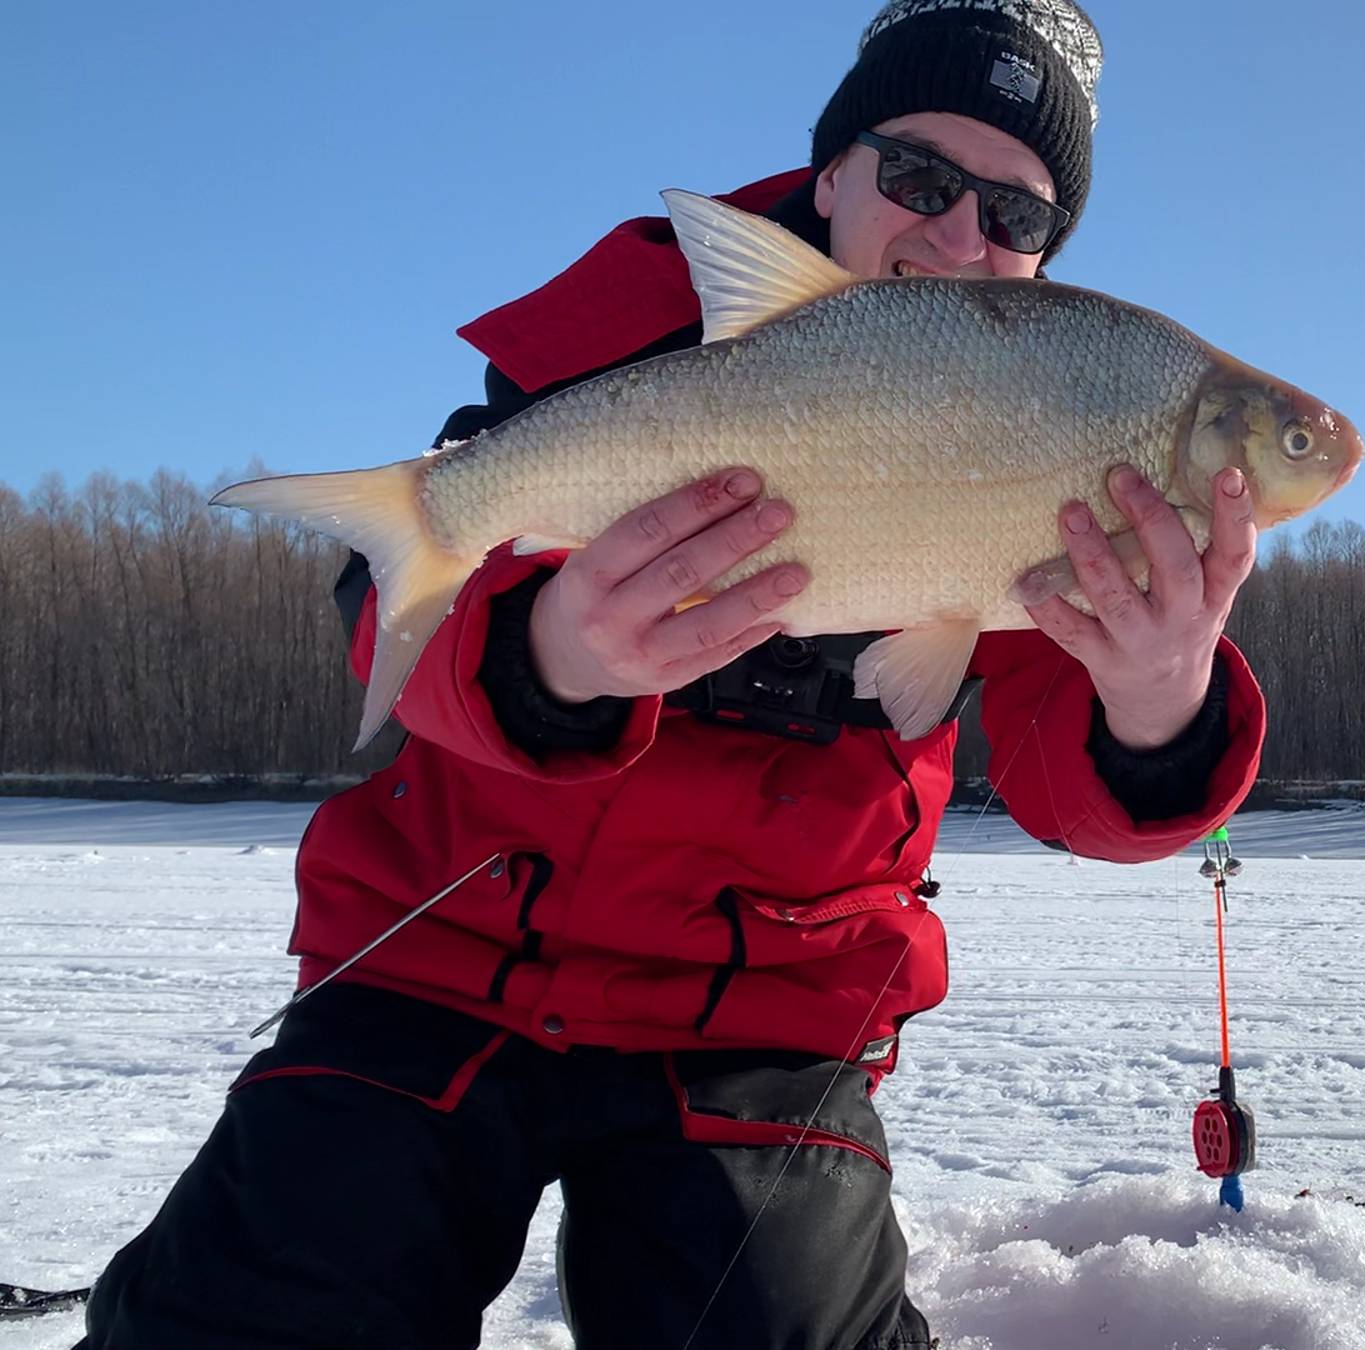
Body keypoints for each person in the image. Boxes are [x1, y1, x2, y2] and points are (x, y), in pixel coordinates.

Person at [77, 4, 1265, 1347]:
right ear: (831, 172)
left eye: (1015, 213)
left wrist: (1164, 697)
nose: (956, 237)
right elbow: (392, 616)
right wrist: (551, 656)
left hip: (767, 1000)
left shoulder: (1058, 426)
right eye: (920, 180)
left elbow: (1069, 772)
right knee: (256, 1310)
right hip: (449, 948)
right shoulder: (633, 328)